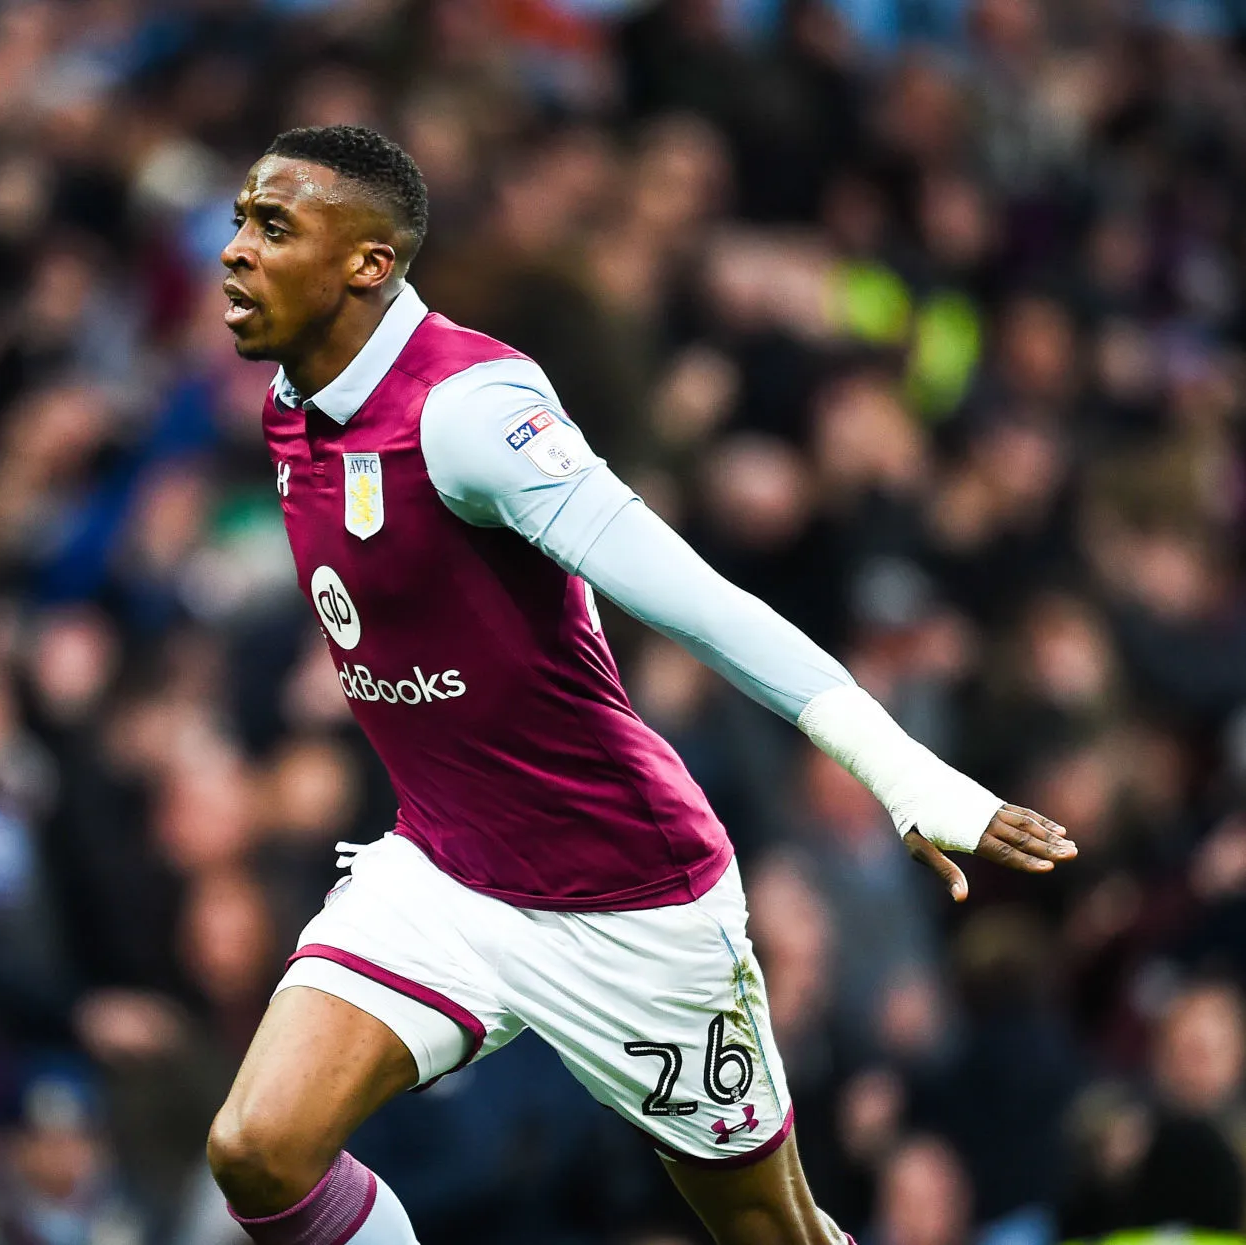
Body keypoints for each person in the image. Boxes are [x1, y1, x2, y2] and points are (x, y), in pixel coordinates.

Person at [205, 124, 1078, 1245]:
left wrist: (900, 769)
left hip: (626, 897)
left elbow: (700, 602)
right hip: (445, 870)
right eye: (242, 218)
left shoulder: (471, 412)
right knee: (259, 1150)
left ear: (368, 263)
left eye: (273, 227)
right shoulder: (293, 401)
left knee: (773, 1234)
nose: (234, 249)